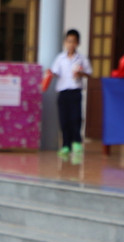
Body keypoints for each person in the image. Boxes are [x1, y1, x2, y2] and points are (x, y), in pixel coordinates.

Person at [45, 29, 91, 160]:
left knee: (75, 117)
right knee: (64, 119)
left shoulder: (81, 58)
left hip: (75, 91)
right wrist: (50, 74)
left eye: (73, 42)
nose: (71, 44)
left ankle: (77, 142)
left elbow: (89, 72)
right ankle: (66, 145)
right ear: (65, 42)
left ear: (78, 43)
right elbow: (54, 72)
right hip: (63, 92)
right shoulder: (60, 58)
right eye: (68, 41)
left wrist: (80, 73)